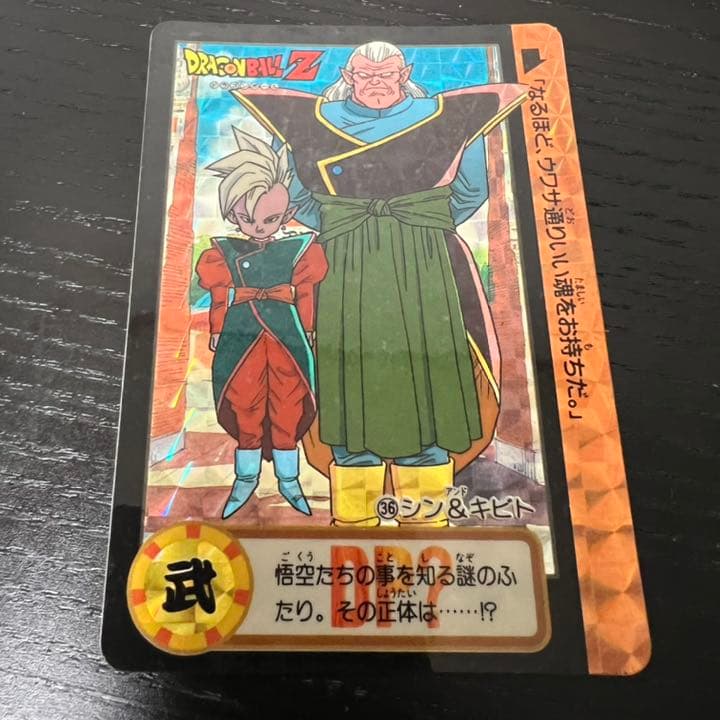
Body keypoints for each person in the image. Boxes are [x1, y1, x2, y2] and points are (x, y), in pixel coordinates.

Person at [232, 41, 526, 527]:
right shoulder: (313, 121)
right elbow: (299, 196)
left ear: (404, 72)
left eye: (386, 73)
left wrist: (419, 222)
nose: (375, 83)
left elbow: (471, 189)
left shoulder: (447, 118)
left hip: (424, 260)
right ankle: (354, 522)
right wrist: (343, 224)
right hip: (345, 263)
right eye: (365, 74)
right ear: (348, 75)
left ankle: (425, 521)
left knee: (427, 387)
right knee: (348, 385)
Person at [196, 128, 328, 518]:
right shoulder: (222, 252)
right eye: (246, 218)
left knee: (289, 404)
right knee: (244, 405)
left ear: (286, 215)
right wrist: (217, 329)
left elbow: (307, 294)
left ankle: (289, 479)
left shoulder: (300, 249)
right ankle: (246, 478)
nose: (258, 226)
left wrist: (308, 330)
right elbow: (219, 296)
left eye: (269, 218)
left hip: (287, 336)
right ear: (233, 214)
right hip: (242, 337)